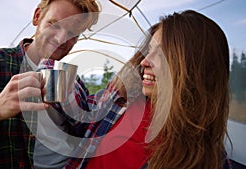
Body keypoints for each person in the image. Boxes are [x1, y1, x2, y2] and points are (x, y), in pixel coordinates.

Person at [61, 10, 232, 169]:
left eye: (163, 53)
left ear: (194, 67)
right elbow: (82, 113)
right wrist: (53, 81)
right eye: (149, 50)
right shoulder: (123, 98)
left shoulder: (206, 160)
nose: (144, 62)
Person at [0, 0, 100, 168]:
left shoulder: (74, 81)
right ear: (37, 17)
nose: (61, 39)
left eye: (72, 33)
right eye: (54, 25)